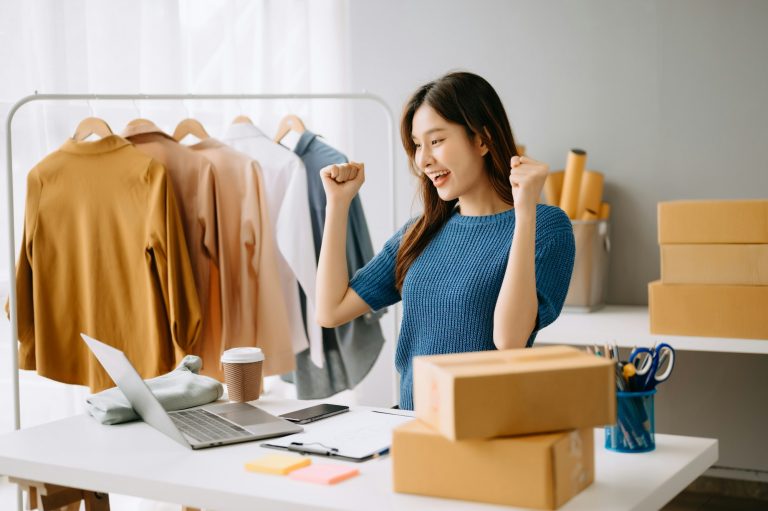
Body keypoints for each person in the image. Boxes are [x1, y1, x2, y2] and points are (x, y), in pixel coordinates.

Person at [315, 71, 575, 410]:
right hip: (411, 427)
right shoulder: (419, 234)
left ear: (482, 140)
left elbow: (510, 341)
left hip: (485, 433)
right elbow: (330, 310)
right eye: (417, 145)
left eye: (436, 141)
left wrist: (525, 211)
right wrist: (337, 204)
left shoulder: (546, 227)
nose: (423, 160)